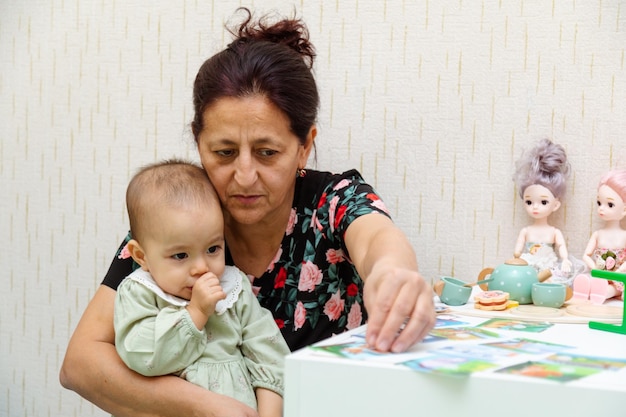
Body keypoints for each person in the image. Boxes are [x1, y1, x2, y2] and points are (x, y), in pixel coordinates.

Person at [60, 8, 435, 417]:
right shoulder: (179, 221)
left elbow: (378, 239)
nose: (243, 176)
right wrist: (211, 407)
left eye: (266, 152)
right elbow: (80, 364)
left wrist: (392, 274)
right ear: (197, 141)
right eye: (223, 152)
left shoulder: (333, 200)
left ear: (304, 146)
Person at [114, 159, 289, 416]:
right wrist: (195, 313)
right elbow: (142, 355)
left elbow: (270, 353)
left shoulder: (233, 289)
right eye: (180, 255)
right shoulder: (140, 292)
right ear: (141, 256)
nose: (201, 268)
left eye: (212, 249)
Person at [511, 138, 583, 284]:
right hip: (528, 265)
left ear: (555, 205)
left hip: (548, 267)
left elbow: (561, 246)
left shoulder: (554, 232)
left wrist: (565, 260)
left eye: (543, 202)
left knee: (550, 281)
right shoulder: (526, 231)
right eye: (529, 202)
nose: (535, 207)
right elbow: (518, 250)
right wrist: (517, 255)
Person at [572, 169, 626, 303]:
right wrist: (594, 268)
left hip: (617, 278)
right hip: (599, 274)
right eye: (599, 203)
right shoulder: (598, 234)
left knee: (612, 288)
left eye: (610, 204)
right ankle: (585, 289)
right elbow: (586, 255)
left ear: (624, 209)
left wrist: (619, 270)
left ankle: (600, 292)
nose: (601, 208)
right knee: (591, 280)